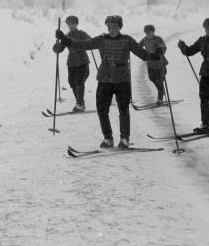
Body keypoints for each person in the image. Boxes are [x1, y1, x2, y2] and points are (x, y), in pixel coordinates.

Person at [55, 15, 158, 149]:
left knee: (123, 109)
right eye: (109, 27)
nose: (112, 29)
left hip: (122, 79)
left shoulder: (127, 40)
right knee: (102, 110)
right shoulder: (101, 39)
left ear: (120, 27)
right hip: (104, 78)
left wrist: (155, 54)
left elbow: (143, 54)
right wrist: (65, 39)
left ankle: (124, 138)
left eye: (114, 27)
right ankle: (108, 138)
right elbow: (82, 44)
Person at [53, 15, 91, 112]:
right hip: (72, 62)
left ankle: (80, 104)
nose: (70, 25)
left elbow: (90, 42)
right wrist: (57, 43)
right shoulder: (66, 36)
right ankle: (80, 102)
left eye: (72, 23)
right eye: (68, 23)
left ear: (76, 24)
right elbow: (59, 49)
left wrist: (65, 39)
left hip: (82, 61)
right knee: (72, 83)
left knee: (79, 81)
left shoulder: (82, 34)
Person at [139, 24, 168, 104]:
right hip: (150, 64)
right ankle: (161, 90)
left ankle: (160, 99)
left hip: (159, 63)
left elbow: (164, 48)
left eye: (150, 32)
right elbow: (138, 47)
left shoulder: (158, 39)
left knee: (159, 80)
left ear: (153, 31)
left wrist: (159, 53)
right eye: (146, 32)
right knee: (152, 78)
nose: (148, 33)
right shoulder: (144, 40)